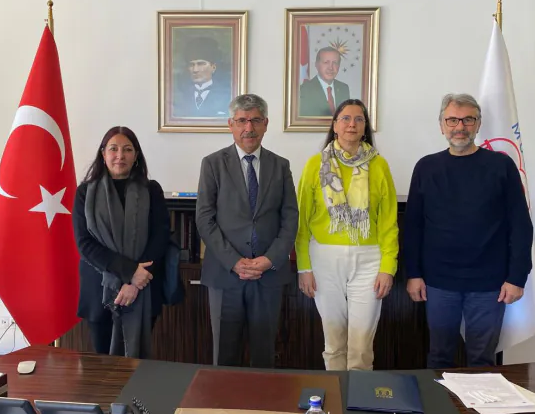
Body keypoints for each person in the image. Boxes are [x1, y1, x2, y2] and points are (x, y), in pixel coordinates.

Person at [404, 93, 533, 368]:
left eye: (467, 120)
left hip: (489, 284)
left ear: (478, 124)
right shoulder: (426, 167)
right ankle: (441, 411)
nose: (459, 126)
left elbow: (520, 224)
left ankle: (481, 413)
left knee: (482, 359)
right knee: (439, 357)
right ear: (441, 125)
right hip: (439, 282)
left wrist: (517, 277)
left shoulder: (501, 166)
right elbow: (413, 225)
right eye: (452, 120)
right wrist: (413, 274)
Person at [196, 93, 299, 368]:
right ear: (231, 124)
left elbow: (290, 218)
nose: (248, 128)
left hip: (268, 276)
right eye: (242, 121)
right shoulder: (213, 164)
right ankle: (223, 410)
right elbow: (205, 218)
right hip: (225, 275)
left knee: (264, 356)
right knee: (225, 356)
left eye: (255, 120)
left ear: (266, 123)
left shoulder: (281, 165)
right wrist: (235, 261)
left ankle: (261, 410)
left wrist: (269, 259)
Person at [295, 99, 398, 371]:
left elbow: (388, 223)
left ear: (365, 128)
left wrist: (388, 267)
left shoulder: (379, 166)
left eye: (359, 119)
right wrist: (303, 267)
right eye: (346, 118)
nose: (352, 124)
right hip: (324, 261)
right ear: (335, 125)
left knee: (361, 346)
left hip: (369, 261)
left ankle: (359, 406)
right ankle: (338, 404)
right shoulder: (314, 165)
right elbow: (302, 222)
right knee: (334, 341)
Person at [72, 126, 171, 358]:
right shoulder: (85, 193)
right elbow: (84, 243)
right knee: (104, 368)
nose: (120, 155)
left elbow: (160, 236)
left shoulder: (151, 190)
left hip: (143, 289)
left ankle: (137, 397)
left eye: (127, 149)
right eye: (113, 149)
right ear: (103, 153)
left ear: (136, 155)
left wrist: (135, 282)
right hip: (100, 290)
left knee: (138, 369)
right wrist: (129, 272)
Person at [171, 36, 232, 118]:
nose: (195, 70)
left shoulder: (227, 95)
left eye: (201, 64)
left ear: (213, 67)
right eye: (191, 65)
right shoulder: (179, 96)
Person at [299, 47, 351, 117]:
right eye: (326, 62)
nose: (331, 67)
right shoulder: (304, 90)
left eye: (335, 63)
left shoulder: (343, 88)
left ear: (339, 66)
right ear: (316, 65)